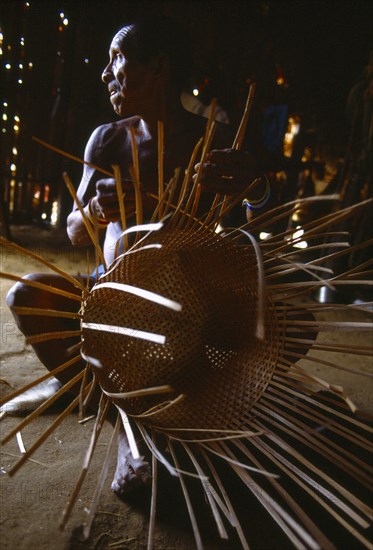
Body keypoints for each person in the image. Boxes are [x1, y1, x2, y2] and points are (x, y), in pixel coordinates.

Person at [4, 15, 263, 494]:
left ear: (159, 67)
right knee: (27, 297)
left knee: (286, 321)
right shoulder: (107, 139)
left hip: (185, 313)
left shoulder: (213, 141)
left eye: (117, 59)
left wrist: (256, 189)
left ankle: (109, 385)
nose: (106, 74)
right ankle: (115, 384)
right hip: (106, 303)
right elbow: (75, 230)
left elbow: (249, 232)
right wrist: (98, 211)